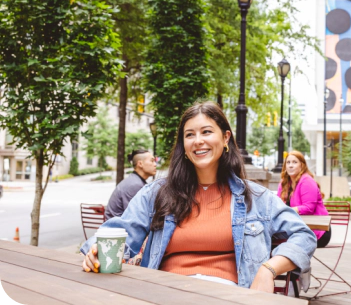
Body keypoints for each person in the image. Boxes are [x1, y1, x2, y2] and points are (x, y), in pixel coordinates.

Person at [81, 101, 316, 292]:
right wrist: (94, 252)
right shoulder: (156, 194)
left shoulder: (255, 197)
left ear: (225, 138)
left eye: (206, 132)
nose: (198, 141)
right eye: (189, 134)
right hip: (164, 292)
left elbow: (304, 236)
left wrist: (269, 269)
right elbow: (120, 231)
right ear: (183, 145)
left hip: (227, 294)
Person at [277, 151, 331, 248]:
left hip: (317, 231)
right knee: (267, 238)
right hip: (295, 228)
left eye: (294, 162)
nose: (290, 165)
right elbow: (277, 204)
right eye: (288, 163)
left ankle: (282, 262)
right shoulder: (284, 183)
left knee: (280, 242)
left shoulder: (306, 181)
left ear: (302, 165)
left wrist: (286, 210)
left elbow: (308, 208)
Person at [104, 150, 157, 221]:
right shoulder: (134, 185)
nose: (155, 164)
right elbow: (136, 217)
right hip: (118, 229)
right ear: (140, 164)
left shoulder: (135, 180)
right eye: (152, 161)